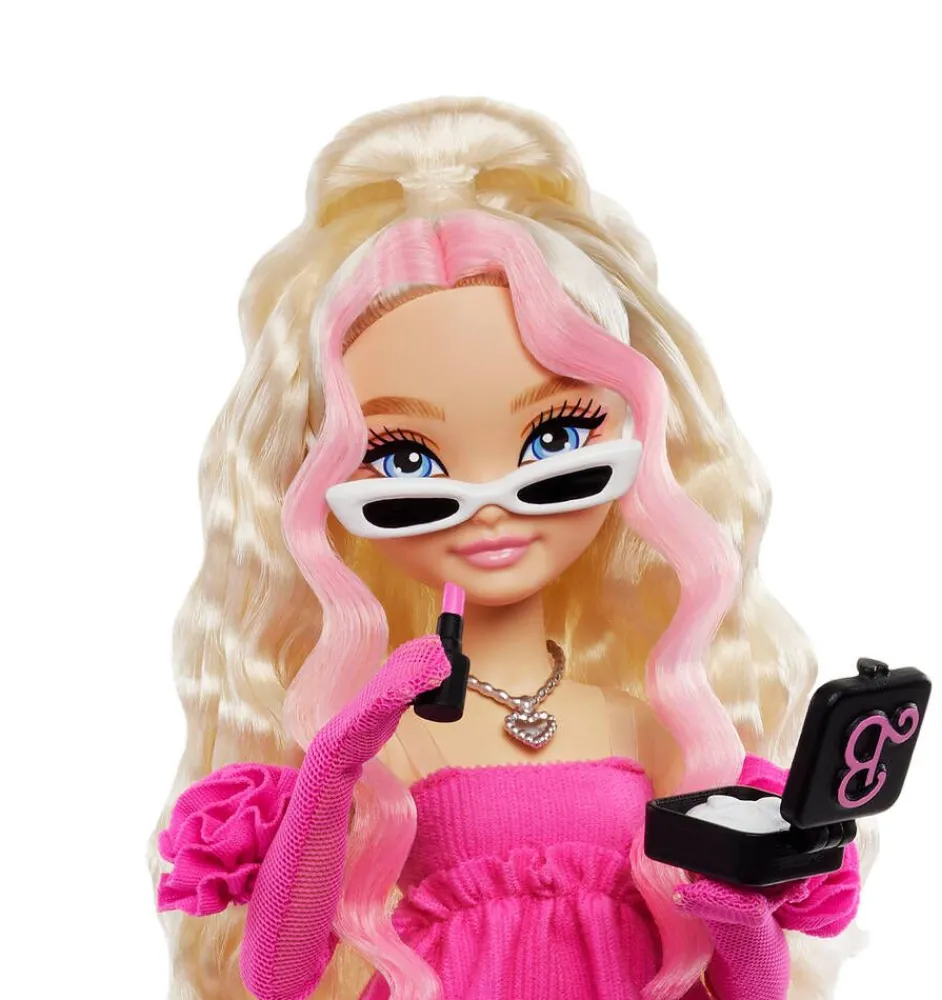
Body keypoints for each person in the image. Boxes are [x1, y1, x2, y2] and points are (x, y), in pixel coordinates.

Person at [151, 97, 867, 1000]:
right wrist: (334, 762)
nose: (488, 508)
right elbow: (279, 975)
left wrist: (735, 905)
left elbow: (747, 992)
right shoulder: (386, 745)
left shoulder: (654, 723)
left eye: (557, 443)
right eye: (405, 464)